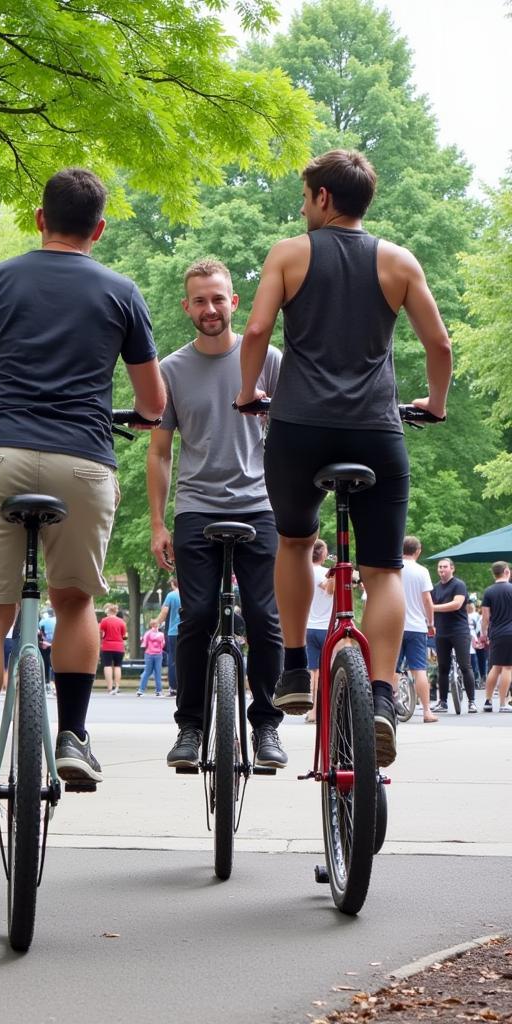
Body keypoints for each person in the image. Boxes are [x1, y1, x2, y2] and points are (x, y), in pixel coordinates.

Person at [0, 167, 165, 839]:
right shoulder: (121, 291)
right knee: (76, 601)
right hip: (82, 461)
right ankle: (72, 736)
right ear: (98, 228)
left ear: (38, 219)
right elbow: (153, 406)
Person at [236, 148, 452, 769]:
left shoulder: (290, 254)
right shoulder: (398, 261)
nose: (304, 208)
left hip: (299, 430)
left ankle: (297, 670)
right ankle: (381, 697)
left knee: (295, 541)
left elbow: (255, 334)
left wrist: (248, 393)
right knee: (383, 569)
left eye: (307, 197)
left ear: (324, 198)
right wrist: (433, 405)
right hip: (374, 433)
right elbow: (438, 342)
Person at [150, 258, 286, 770]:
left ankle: (268, 724)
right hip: (196, 508)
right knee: (198, 615)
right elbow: (160, 451)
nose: (210, 308)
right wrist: (159, 523)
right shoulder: (171, 370)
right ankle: (190, 725)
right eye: (200, 300)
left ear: (235, 301)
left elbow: (292, 435)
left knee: (264, 616)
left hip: (260, 505)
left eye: (218, 298)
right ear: (187, 306)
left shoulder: (268, 360)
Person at [395, 536, 438, 723]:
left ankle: (390, 707)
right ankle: (427, 711)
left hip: (395, 626)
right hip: (417, 626)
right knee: (419, 669)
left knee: (392, 669)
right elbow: (427, 600)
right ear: (418, 551)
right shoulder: (422, 571)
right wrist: (430, 622)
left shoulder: (394, 568)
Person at [430, 558, 477, 713]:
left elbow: (457, 604)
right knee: (442, 667)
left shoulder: (459, 585)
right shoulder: (435, 588)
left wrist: (433, 608)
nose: (442, 570)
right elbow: (427, 606)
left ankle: (472, 702)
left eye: (445, 567)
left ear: (452, 568)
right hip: (441, 631)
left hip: (459, 630)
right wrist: (429, 623)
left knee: (465, 666)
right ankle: (442, 702)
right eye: (439, 567)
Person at [303, 540, 335, 723]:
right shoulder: (322, 573)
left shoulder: (303, 571)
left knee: (312, 671)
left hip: (309, 626)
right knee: (326, 670)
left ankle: (313, 711)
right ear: (322, 554)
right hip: (326, 628)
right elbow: (330, 589)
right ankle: (324, 709)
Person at [480, 561, 512, 712]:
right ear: (506, 571)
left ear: (494, 573)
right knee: (508, 667)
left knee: (495, 667)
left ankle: (488, 700)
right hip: (510, 632)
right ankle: (503, 703)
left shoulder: (488, 591)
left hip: (496, 633)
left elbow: (485, 617)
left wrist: (484, 634)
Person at [155, 579, 181, 696]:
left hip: (173, 632)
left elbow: (164, 612)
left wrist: (157, 622)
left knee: (173, 660)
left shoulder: (171, 595)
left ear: (173, 584)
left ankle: (174, 688)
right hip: (188, 631)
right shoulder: (190, 593)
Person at [98, 604, 127, 695]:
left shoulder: (104, 621)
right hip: (119, 647)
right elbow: (124, 636)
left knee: (107, 666)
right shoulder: (122, 622)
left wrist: (100, 642)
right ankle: (117, 687)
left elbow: (101, 633)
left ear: (108, 611)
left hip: (107, 646)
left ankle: (110, 688)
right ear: (116, 612)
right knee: (118, 666)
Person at [137, 618, 165, 696]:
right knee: (158, 672)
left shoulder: (147, 633)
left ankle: (141, 690)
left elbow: (144, 644)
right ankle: (159, 691)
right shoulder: (161, 634)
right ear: (158, 625)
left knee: (147, 672)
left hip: (149, 654)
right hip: (158, 654)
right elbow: (163, 644)